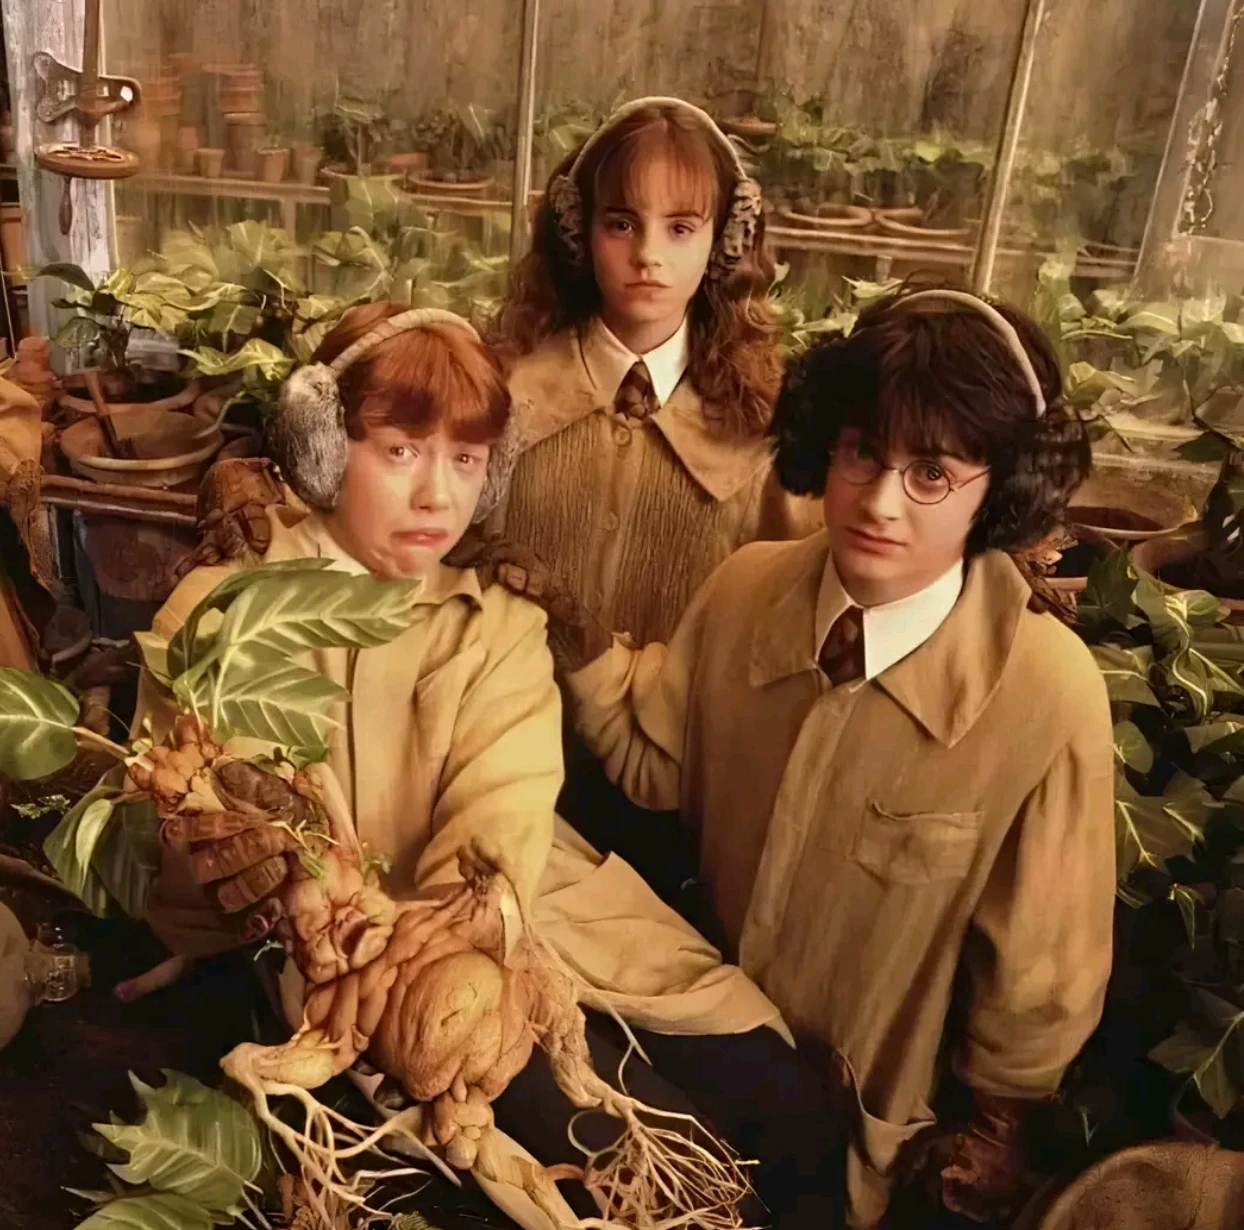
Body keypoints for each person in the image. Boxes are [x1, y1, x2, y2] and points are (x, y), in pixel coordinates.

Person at [130, 302, 846, 1229]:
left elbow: (501, 807)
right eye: (400, 452)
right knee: (622, 1162)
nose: (438, 495)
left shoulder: (497, 617)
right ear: (321, 449)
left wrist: (466, 924)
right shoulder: (220, 614)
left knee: (785, 1110)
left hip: (510, 911)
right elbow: (217, 830)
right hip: (349, 969)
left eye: (466, 461)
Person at [489, 288, 1117, 1229]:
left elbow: (1041, 985)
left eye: (933, 473)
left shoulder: (1046, 693)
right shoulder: (746, 589)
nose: (880, 502)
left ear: (1005, 488)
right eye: (863, 452)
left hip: (871, 1154)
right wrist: (579, 645)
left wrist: (995, 1131)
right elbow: (659, 765)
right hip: (696, 1065)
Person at [483, 96, 821, 904]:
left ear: (724, 242)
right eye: (621, 223)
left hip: (681, 807)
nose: (648, 256)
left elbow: (794, 618)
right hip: (502, 773)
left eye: (680, 227)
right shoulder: (503, 396)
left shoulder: (765, 432)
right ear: (579, 233)